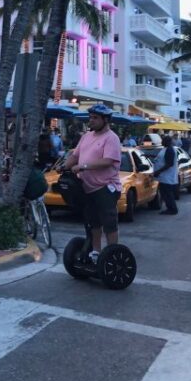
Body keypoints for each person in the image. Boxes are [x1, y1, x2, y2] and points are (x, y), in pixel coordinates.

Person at [61, 104, 121, 264]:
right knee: (93, 222)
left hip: (105, 187)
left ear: (105, 120)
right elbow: (75, 156)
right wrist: (64, 166)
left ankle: (112, 254)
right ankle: (96, 252)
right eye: (90, 117)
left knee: (109, 223)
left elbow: (108, 161)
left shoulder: (111, 138)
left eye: (95, 118)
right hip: (87, 188)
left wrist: (83, 166)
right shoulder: (87, 136)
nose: (91, 120)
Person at [153, 133, 179, 215]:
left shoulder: (170, 150)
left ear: (167, 142)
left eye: (163, 141)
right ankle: (170, 208)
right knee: (165, 193)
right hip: (164, 176)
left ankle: (172, 209)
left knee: (167, 194)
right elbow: (161, 158)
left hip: (167, 176)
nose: (161, 142)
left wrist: (158, 171)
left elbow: (169, 164)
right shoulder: (165, 149)